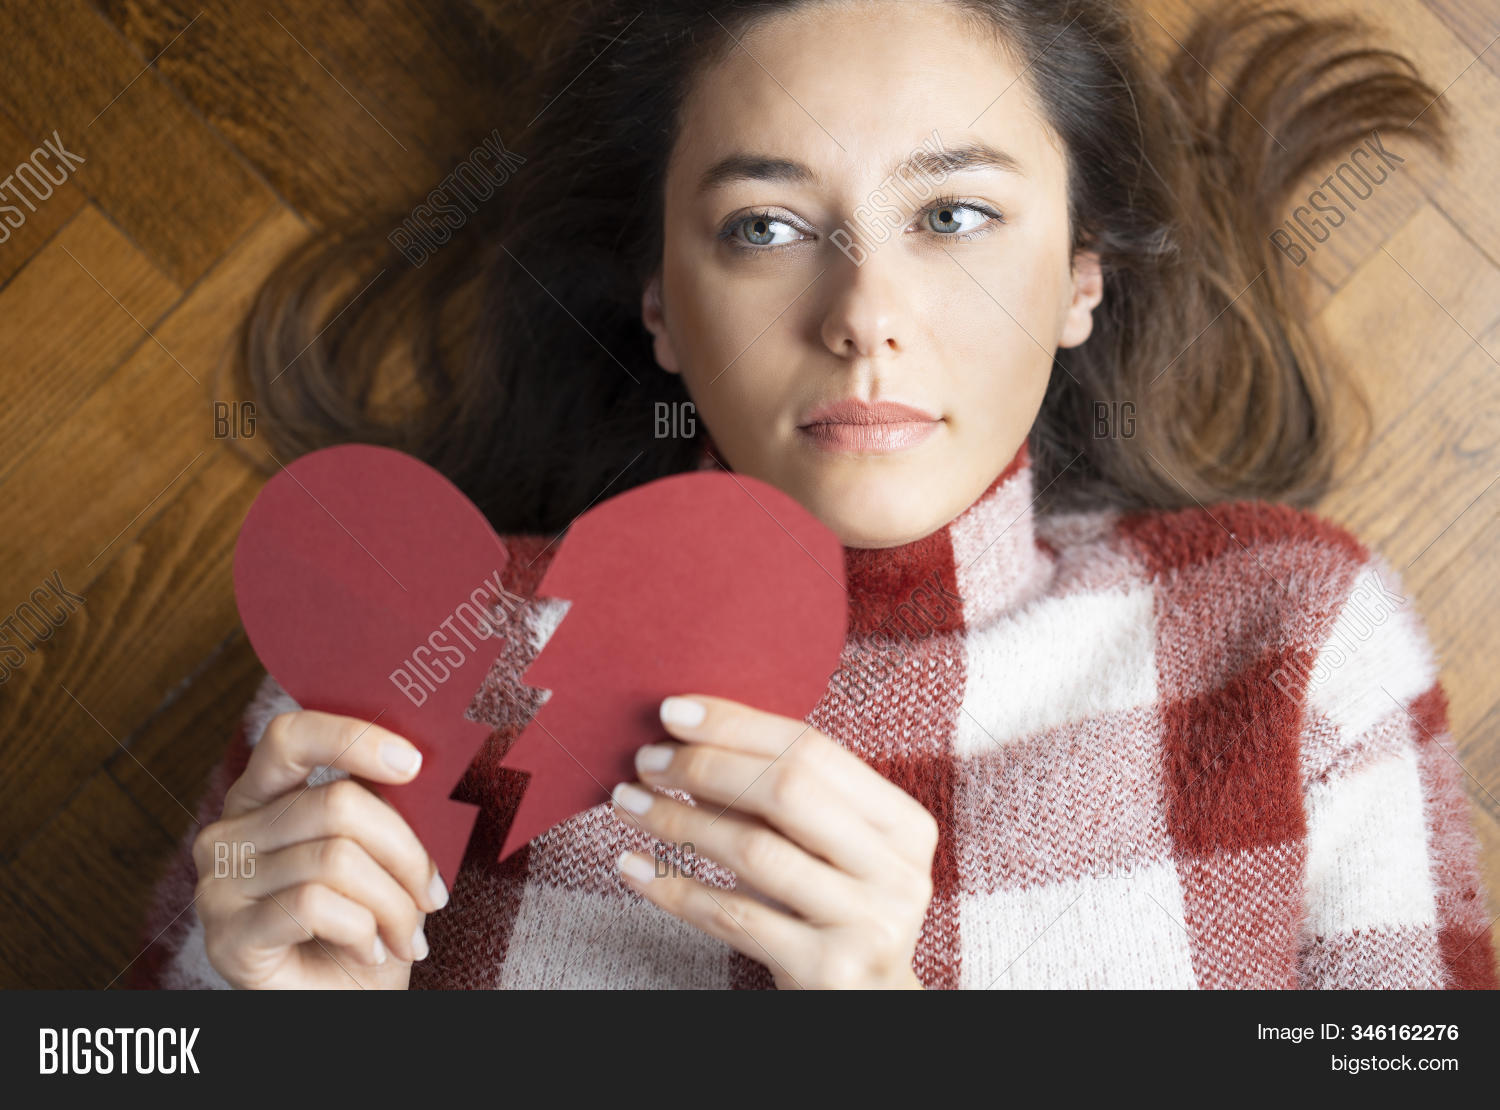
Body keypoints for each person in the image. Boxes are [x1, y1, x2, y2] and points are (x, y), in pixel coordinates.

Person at [131, 0, 1496, 989]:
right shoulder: (399, 650)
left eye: (953, 215)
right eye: (766, 227)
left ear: (1083, 273)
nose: (865, 318)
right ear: (661, 301)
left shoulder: (1296, 636)